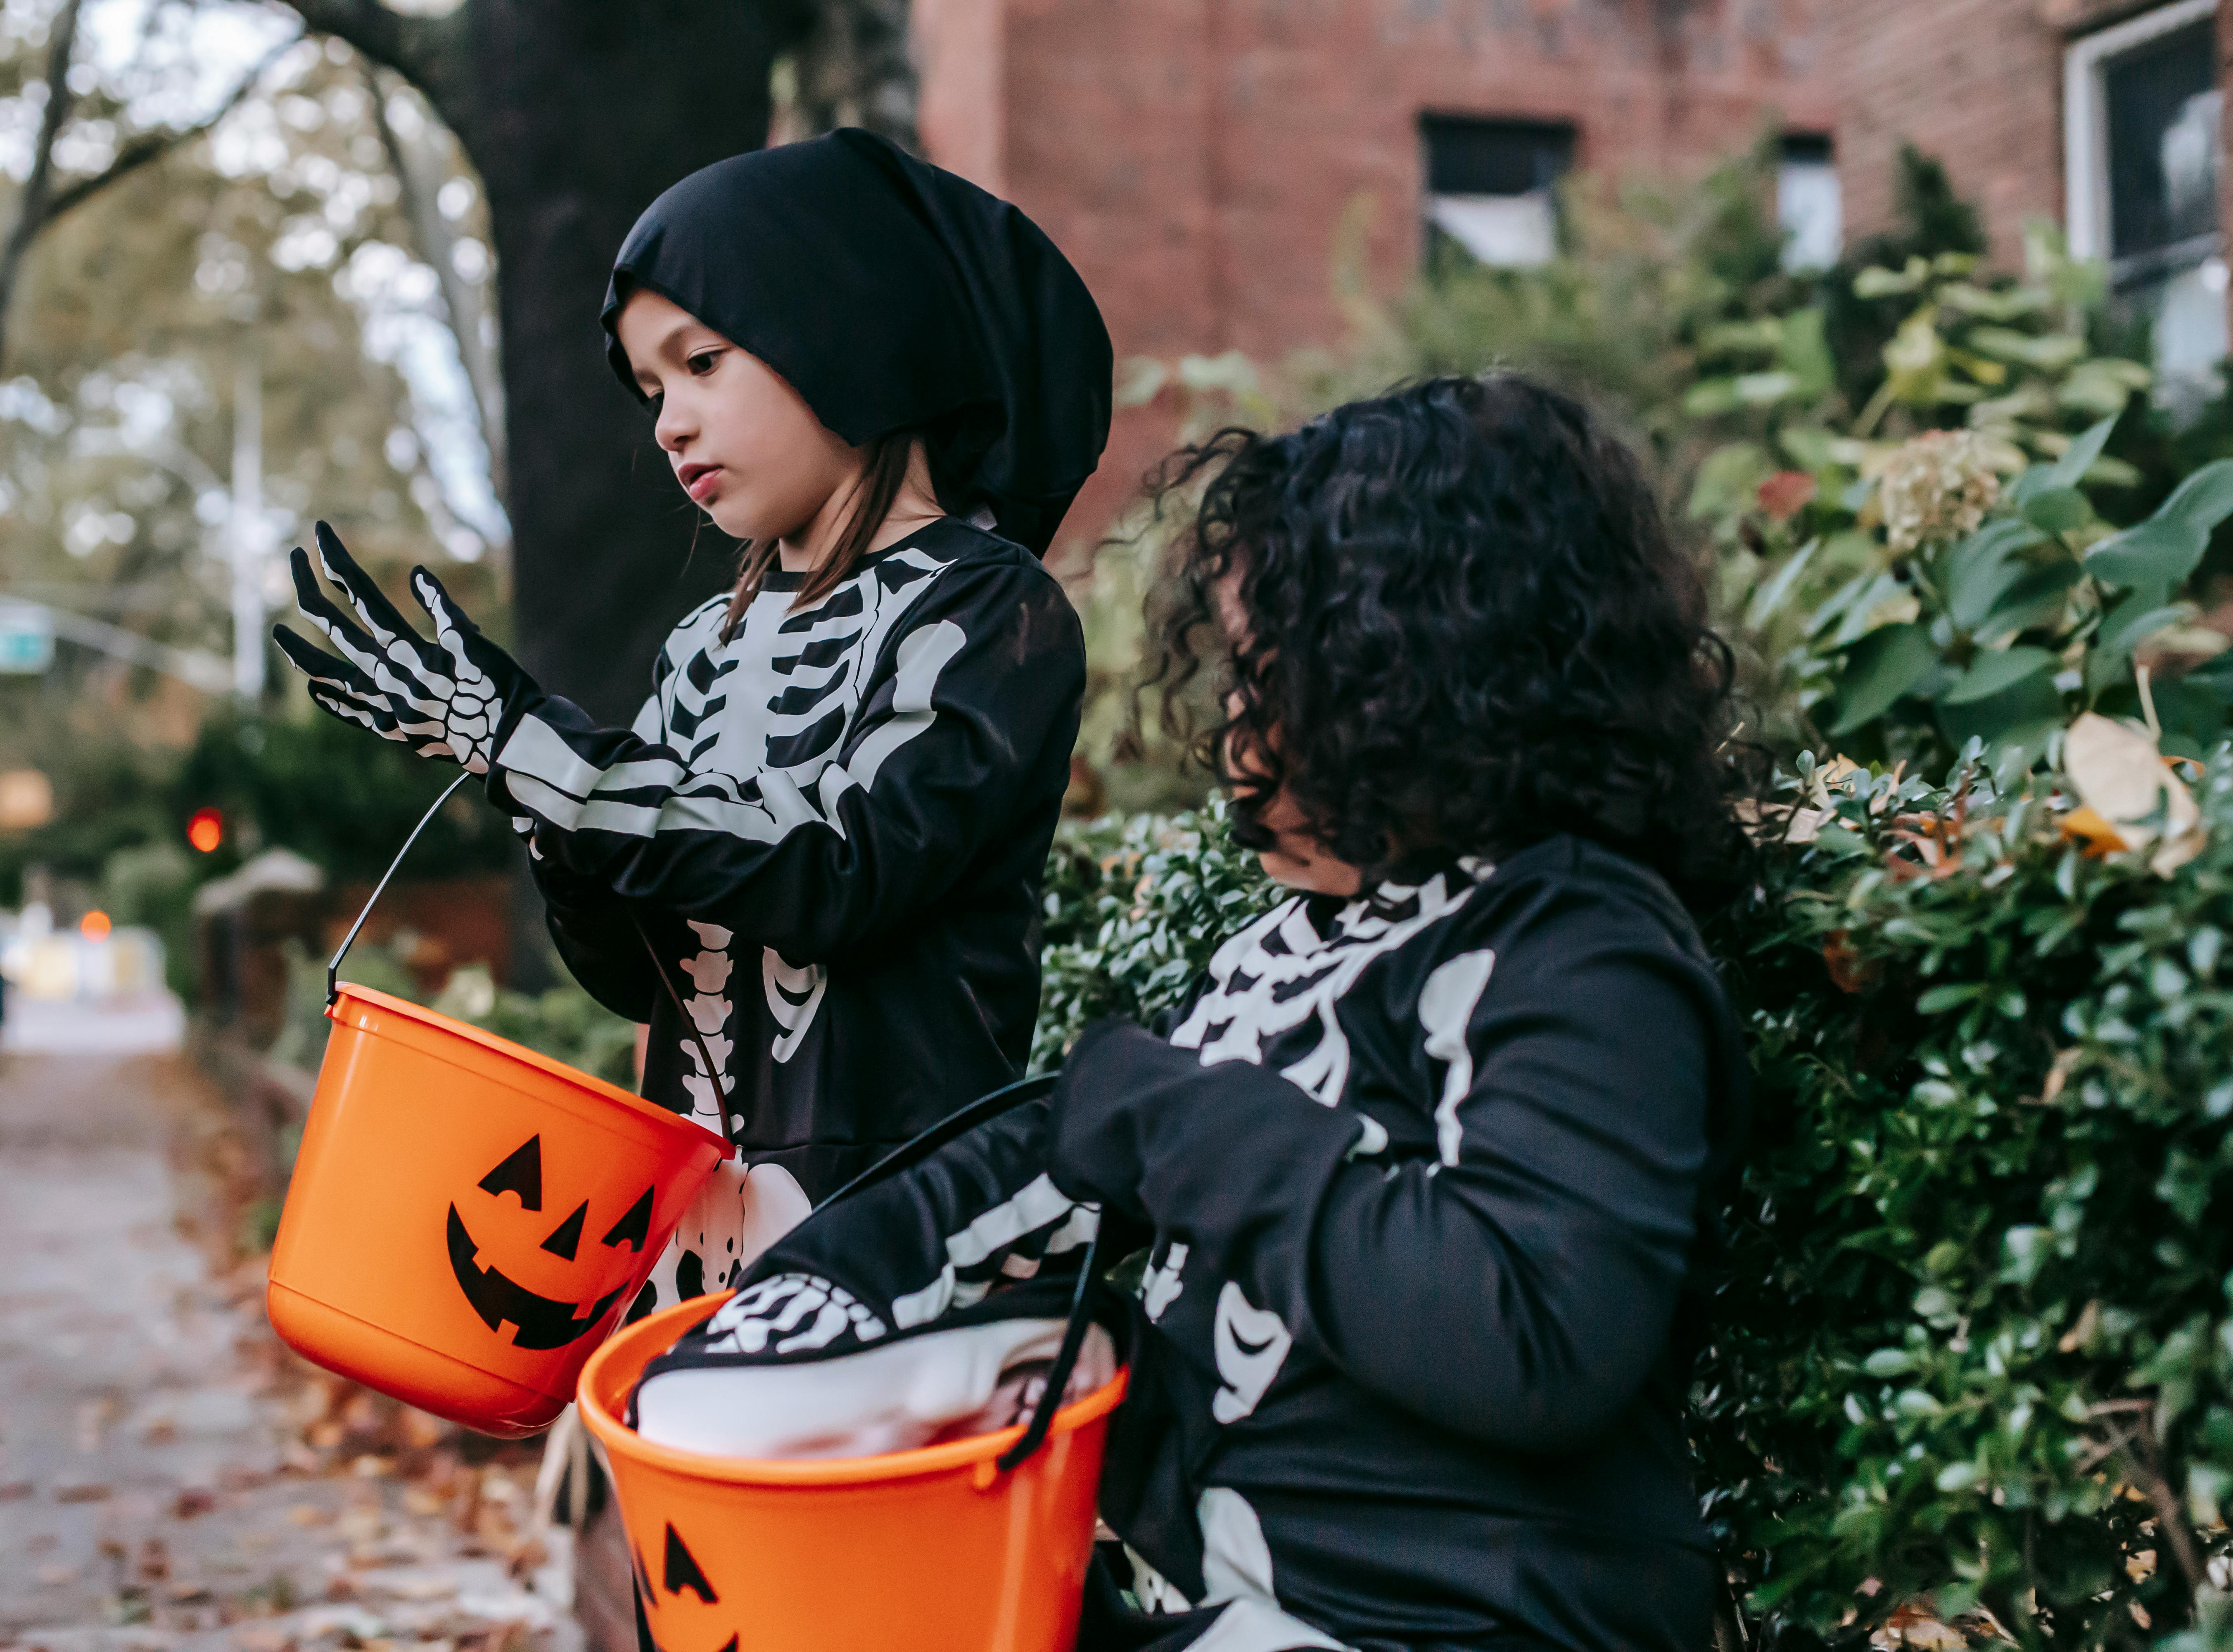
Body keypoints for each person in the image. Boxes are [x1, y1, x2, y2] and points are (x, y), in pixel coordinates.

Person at [634, 374, 1756, 1652]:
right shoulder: (1304, 935)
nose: (1234, 727)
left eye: (1273, 677)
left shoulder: (1581, 950)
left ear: (1428, 684)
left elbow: (1536, 1329)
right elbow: (1073, 1144)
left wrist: (1177, 1122)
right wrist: (823, 1288)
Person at [272, 128, 1112, 1321]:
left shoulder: (991, 614)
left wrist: (537, 753)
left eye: (703, 361)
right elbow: (633, 972)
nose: (668, 424)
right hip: (685, 1263)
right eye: (653, 389)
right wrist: (534, 795)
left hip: (898, 1265)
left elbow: (842, 868)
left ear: (848, 331)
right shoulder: (702, 646)